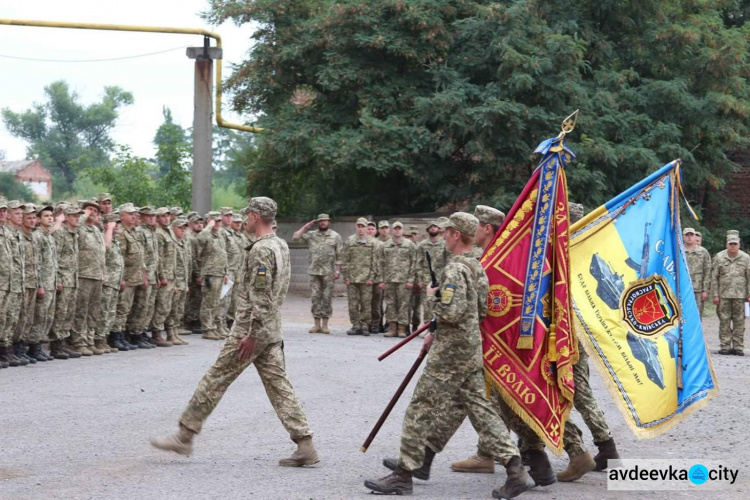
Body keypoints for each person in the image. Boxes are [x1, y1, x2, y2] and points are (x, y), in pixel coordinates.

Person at [365, 212, 535, 498]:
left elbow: (452, 312)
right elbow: (480, 310)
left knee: (420, 407)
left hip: (451, 352)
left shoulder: (455, 269)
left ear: (456, 235)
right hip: (470, 348)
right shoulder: (476, 266)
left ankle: (403, 474)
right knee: (481, 409)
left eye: (447, 232)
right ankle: (516, 470)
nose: (443, 236)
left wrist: (434, 296)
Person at [150, 197, 320, 467]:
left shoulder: (262, 250)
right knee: (279, 385)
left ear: (254, 216)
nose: (246, 219)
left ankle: (185, 435)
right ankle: (305, 444)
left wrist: (251, 334)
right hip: (271, 328)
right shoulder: (280, 244)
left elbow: (261, 295)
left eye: (247, 215)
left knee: (216, 378)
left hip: (251, 329)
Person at [293, 213, 343, 334]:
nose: (322, 223)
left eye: (325, 221)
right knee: (315, 297)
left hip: (328, 272)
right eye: (320, 221)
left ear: (329, 222)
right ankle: (316, 324)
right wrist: (306, 227)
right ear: (318, 223)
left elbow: (340, 255)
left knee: (326, 298)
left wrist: (338, 270)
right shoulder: (311, 235)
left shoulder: (335, 236)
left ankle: (325, 325)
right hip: (314, 271)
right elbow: (295, 237)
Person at [71, 200, 107, 355]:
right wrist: (82, 216)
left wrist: (103, 273)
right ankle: (78, 342)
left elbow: (101, 254)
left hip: (97, 275)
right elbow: (73, 230)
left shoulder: (96, 230)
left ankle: (89, 340)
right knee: (81, 310)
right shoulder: (79, 228)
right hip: (83, 275)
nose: (92, 212)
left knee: (93, 311)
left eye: (95, 210)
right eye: (89, 209)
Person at [49, 205, 83, 359]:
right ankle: (56, 346)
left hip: (73, 279)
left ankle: (63, 343)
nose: (78, 218)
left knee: (69, 313)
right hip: (64, 278)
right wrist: (58, 278)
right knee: (61, 313)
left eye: (79, 215)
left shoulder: (73, 234)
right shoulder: (60, 233)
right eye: (74, 215)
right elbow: (54, 257)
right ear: (67, 217)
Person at [711, 230, 750, 355]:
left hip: (740, 296)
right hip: (723, 296)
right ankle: (725, 346)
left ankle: (738, 347)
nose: (733, 246)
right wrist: (715, 294)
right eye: (730, 244)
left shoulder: (746, 258)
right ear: (726, 244)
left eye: (735, 244)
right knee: (724, 321)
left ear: (739, 244)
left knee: (739, 321)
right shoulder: (719, 257)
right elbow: (714, 277)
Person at [113, 203, 147, 350]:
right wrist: (121, 278)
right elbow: (119, 258)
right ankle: (116, 337)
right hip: (126, 277)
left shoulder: (132, 232)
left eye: (134, 213)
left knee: (127, 308)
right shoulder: (121, 233)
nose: (134, 216)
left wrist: (143, 274)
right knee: (121, 308)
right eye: (130, 214)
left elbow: (139, 256)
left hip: (134, 277)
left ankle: (123, 335)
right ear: (121, 216)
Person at [29, 205, 58, 361]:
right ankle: (33, 346)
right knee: (39, 316)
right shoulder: (38, 236)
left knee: (47, 316)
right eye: (46, 216)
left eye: (51, 216)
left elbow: (53, 262)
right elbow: (37, 263)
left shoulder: (49, 236)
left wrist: (56, 280)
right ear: (39, 219)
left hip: (51, 282)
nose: (50, 218)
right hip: (43, 283)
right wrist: (39, 284)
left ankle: (39, 344)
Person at [378, 221, 416, 338]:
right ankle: (392, 327)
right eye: (395, 229)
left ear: (403, 230)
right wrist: (381, 280)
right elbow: (380, 263)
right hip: (389, 279)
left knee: (404, 305)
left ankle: (402, 328)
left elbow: (414, 263)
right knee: (390, 304)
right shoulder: (385, 245)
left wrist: (410, 279)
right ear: (392, 230)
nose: (397, 230)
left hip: (404, 280)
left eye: (399, 229)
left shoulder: (409, 245)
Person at [342, 217, 379, 336]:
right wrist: (346, 277)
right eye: (359, 226)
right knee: (353, 304)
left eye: (363, 226)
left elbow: (375, 261)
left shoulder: (372, 242)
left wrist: (371, 277)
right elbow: (345, 260)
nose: (361, 229)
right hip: (352, 278)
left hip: (366, 278)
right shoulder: (350, 241)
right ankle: (355, 325)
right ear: (356, 227)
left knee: (366, 304)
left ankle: (364, 325)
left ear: (366, 228)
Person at [13, 204, 39, 364]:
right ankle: (14, 347)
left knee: (28, 318)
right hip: (21, 282)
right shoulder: (19, 236)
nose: (32, 220)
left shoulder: (33, 237)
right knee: (19, 316)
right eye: (28, 217)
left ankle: (21, 347)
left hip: (32, 282)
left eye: (33, 217)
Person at [196, 212, 228, 341]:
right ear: (209, 222)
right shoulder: (206, 234)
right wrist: (208, 226)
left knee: (216, 302)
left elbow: (223, 255)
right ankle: (207, 328)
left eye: (220, 221)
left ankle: (213, 327)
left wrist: (225, 272)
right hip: (210, 273)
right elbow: (200, 239)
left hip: (219, 273)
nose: (218, 223)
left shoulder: (219, 235)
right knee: (208, 302)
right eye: (215, 221)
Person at [149, 207, 176, 347]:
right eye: (163, 216)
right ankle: (156, 333)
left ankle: (169, 333)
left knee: (167, 306)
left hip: (172, 274)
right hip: (164, 274)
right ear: (158, 219)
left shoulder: (169, 231)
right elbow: (158, 257)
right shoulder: (159, 234)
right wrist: (162, 276)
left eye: (168, 216)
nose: (166, 218)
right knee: (161, 305)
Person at [101, 212, 127, 351]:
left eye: (117, 223)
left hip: (115, 282)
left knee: (111, 312)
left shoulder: (116, 240)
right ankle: (99, 340)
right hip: (107, 282)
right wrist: (109, 229)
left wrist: (121, 278)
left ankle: (104, 340)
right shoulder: (105, 237)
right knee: (104, 312)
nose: (117, 225)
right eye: (114, 223)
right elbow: (105, 247)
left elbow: (118, 263)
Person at [416, 220, 450, 323]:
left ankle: (439, 324)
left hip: (441, 276)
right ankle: (427, 324)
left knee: (441, 300)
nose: (433, 229)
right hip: (427, 276)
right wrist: (419, 279)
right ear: (427, 229)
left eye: (435, 227)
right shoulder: (422, 245)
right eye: (431, 227)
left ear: (438, 229)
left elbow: (448, 260)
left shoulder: (444, 244)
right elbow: (419, 262)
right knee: (427, 302)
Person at [165, 217, 191, 346]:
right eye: (180, 228)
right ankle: (170, 333)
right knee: (173, 308)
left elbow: (186, 264)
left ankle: (175, 332)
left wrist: (186, 283)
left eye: (185, 228)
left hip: (183, 281)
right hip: (175, 281)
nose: (183, 230)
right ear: (173, 228)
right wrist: (174, 283)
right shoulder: (172, 242)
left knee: (179, 309)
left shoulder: (184, 242)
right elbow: (171, 264)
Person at [683, 227, 711, 318]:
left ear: (695, 237)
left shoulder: (703, 252)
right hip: (682, 289)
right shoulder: (679, 251)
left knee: (697, 315)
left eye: (691, 235)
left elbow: (707, 271)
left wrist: (705, 290)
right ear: (683, 237)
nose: (689, 237)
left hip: (698, 290)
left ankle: (697, 333)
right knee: (683, 315)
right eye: (687, 235)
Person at [183, 214, 204, 333]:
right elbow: (193, 257)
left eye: (201, 223)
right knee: (192, 298)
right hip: (192, 271)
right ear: (190, 225)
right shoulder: (190, 237)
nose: (199, 225)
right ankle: (189, 320)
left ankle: (195, 320)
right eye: (196, 223)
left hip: (200, 270)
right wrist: (197, 273)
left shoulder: (200, 236)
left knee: (198, 297)